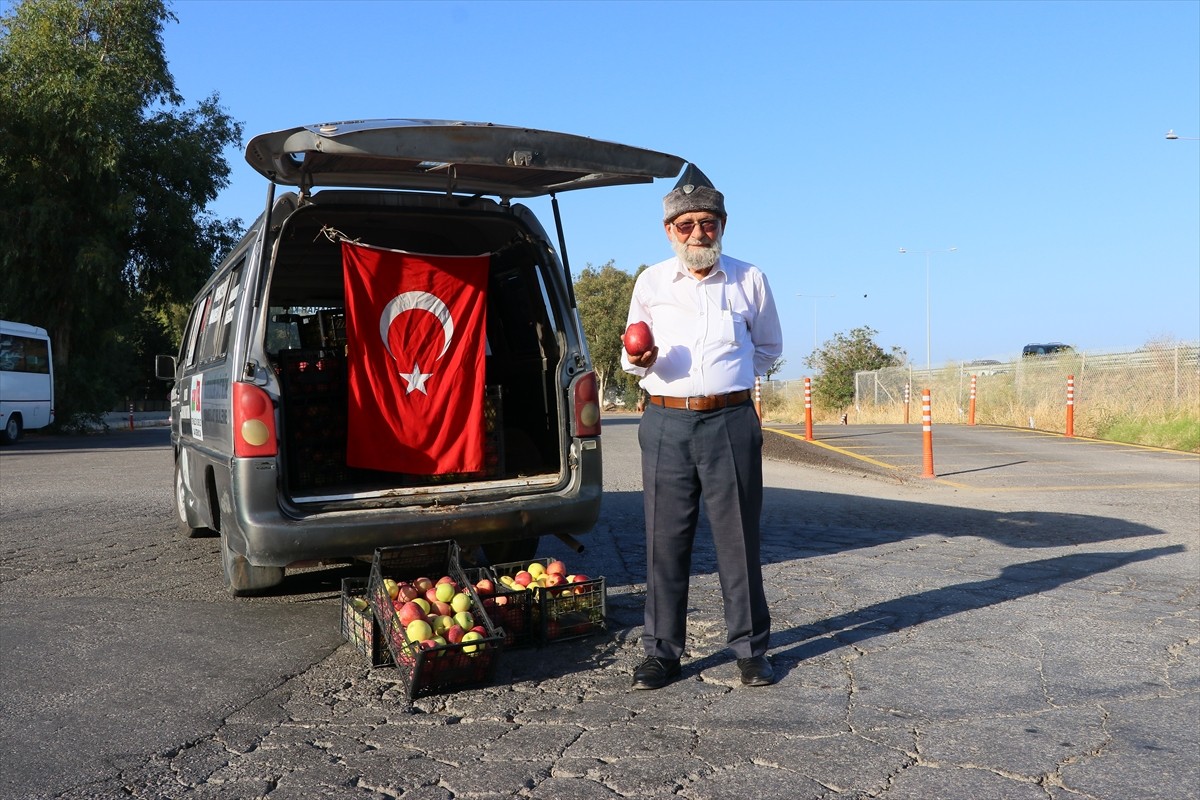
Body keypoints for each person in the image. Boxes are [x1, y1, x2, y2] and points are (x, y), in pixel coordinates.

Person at [621, 165, 783, 690]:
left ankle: (751, 651)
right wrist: (640, 360)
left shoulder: (749, 279)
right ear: (669, 230)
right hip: (665, 421)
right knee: (664, 541)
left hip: (730, 421)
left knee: (738, 540)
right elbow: (631, 355)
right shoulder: (651, 282)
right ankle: (661, 653)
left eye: (707, 223)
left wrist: (726, 383)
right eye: (686, 224)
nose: (697, 233)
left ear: (722, 225)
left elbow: (768, 348)